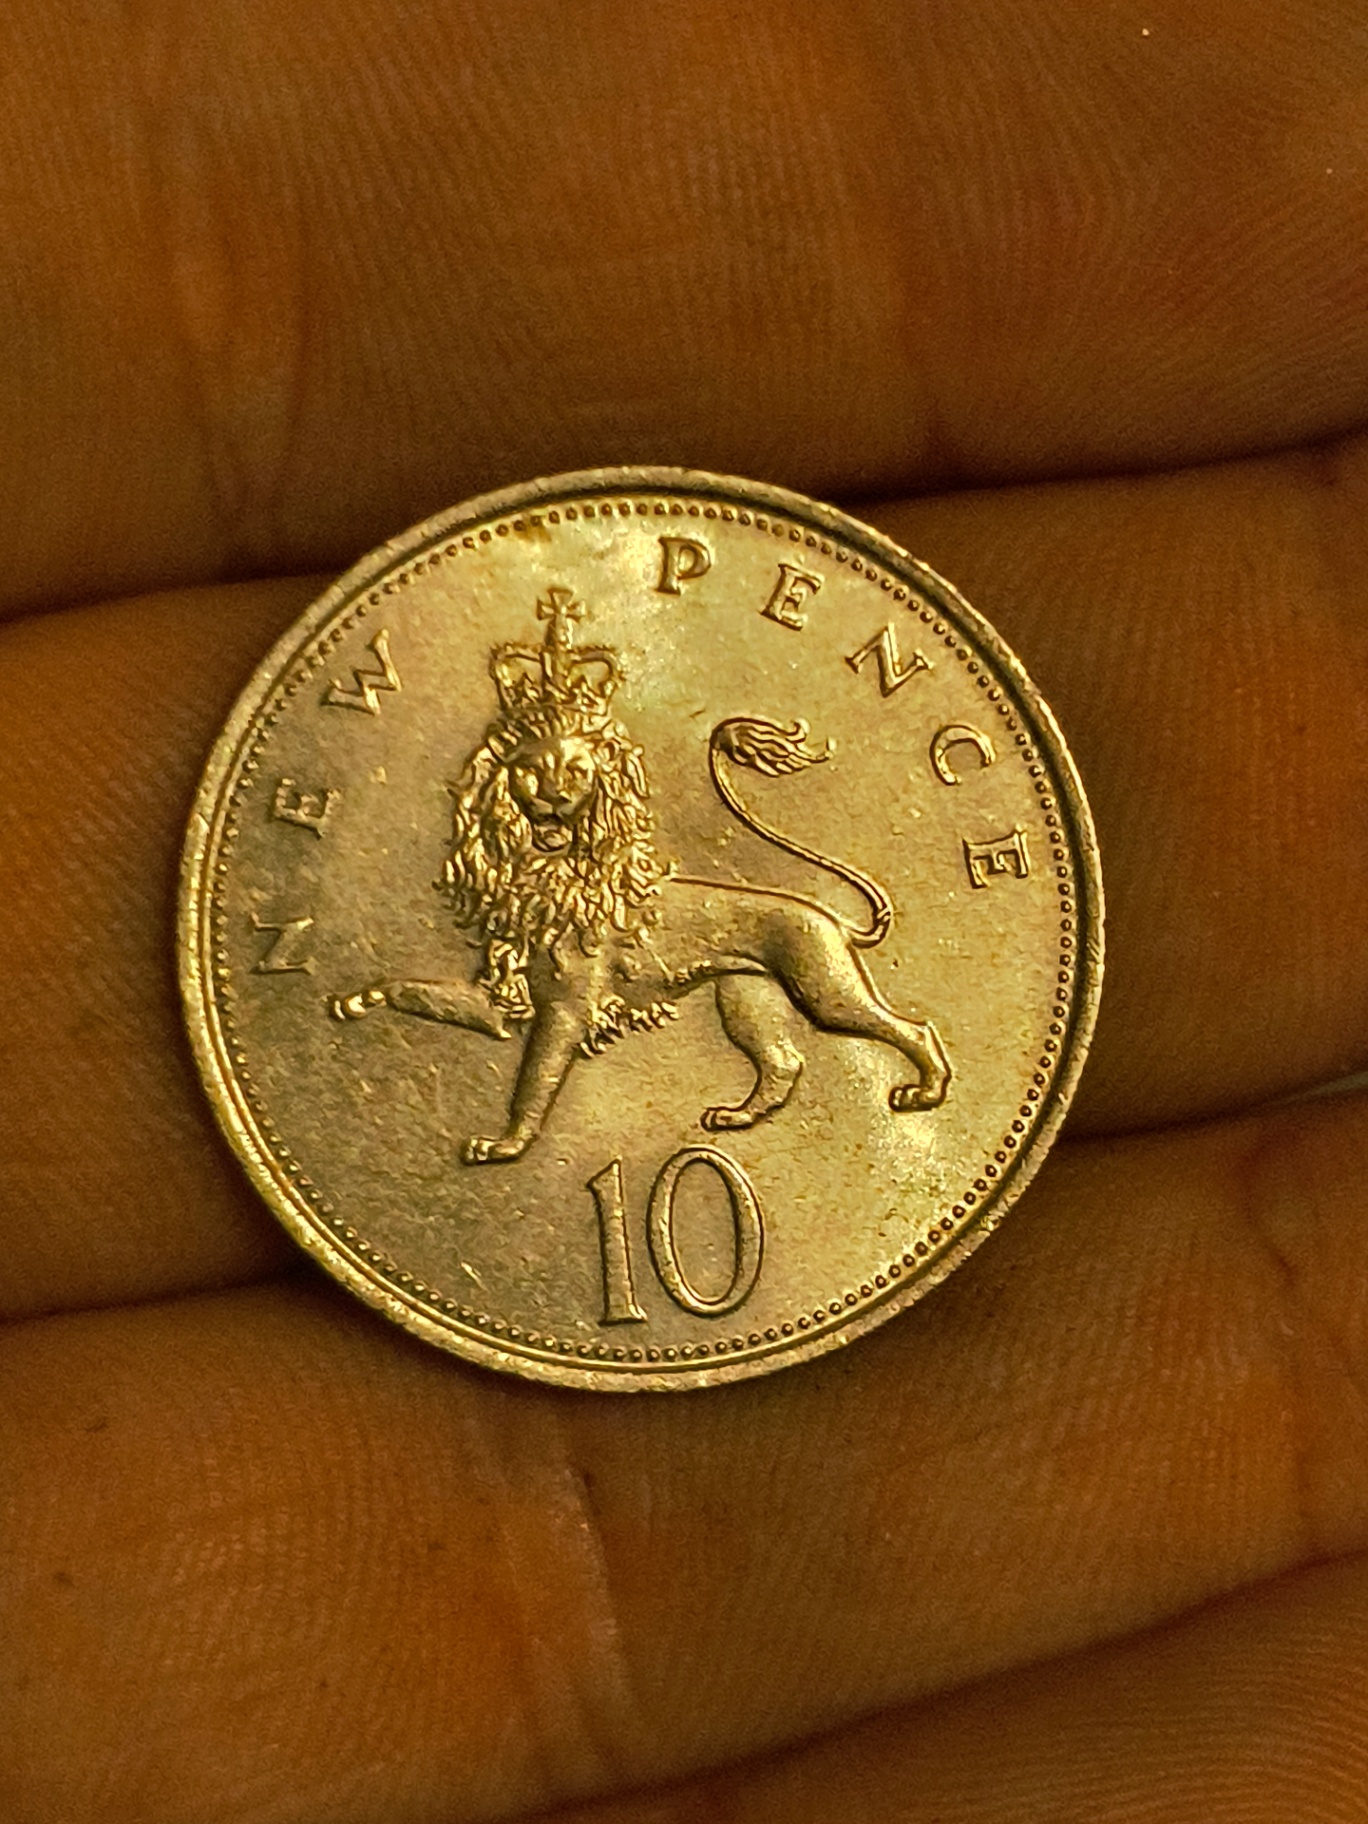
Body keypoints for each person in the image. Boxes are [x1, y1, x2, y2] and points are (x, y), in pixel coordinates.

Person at [3, 4, 1367, 1818]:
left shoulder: (637, 886)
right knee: (737, 1025)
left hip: (695, 945)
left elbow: (557, 1019)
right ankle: (771, 1073)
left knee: (818, 998)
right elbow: (521, 969)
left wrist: (514, 1131)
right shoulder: (535, 857)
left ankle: (907, 1049)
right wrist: (389, 1001)